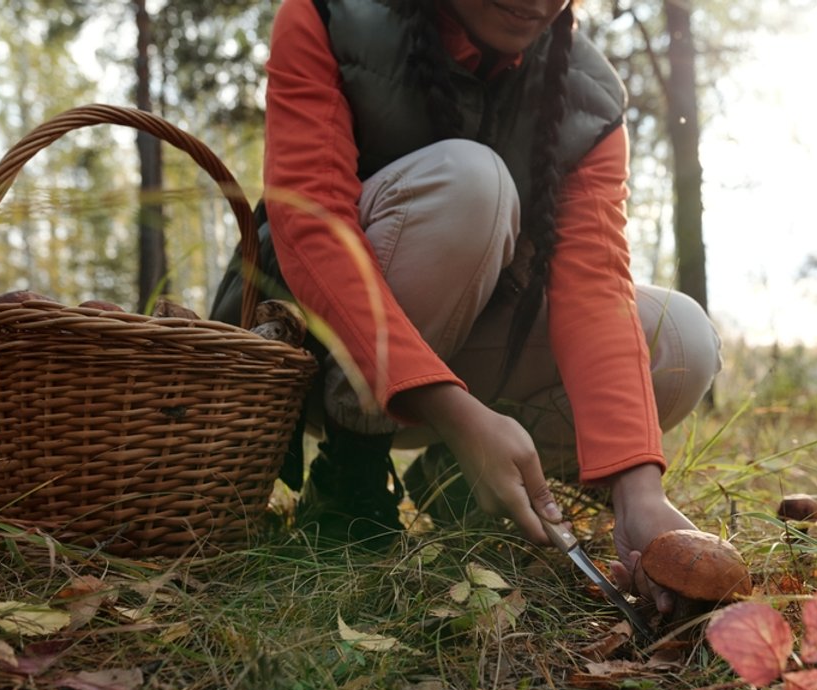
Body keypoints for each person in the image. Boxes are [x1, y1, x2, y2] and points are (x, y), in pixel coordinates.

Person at [211, 0, 722, 615]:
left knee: (682, 340)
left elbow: (596, 286)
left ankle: (454, 484)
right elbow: (309, 227)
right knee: (472, 182)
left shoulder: (589, 98)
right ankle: (350, 480)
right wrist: (451, 410)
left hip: (468, 354)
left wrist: (639, 486)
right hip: (317, 355)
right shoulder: (329, 15)